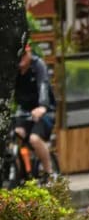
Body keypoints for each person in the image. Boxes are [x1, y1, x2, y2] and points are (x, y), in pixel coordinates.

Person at [13, 42, 58, 181]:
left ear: (29, 52)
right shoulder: (13, 70)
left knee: (34, 139)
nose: (21, 58)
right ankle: (22, 174)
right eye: (19, 56)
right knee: (16, 135)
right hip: (24, 112)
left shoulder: (38, 65)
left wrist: (43, 106)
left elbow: (43, 85)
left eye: (24, 54)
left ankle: (50, 173)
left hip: (44, 112)